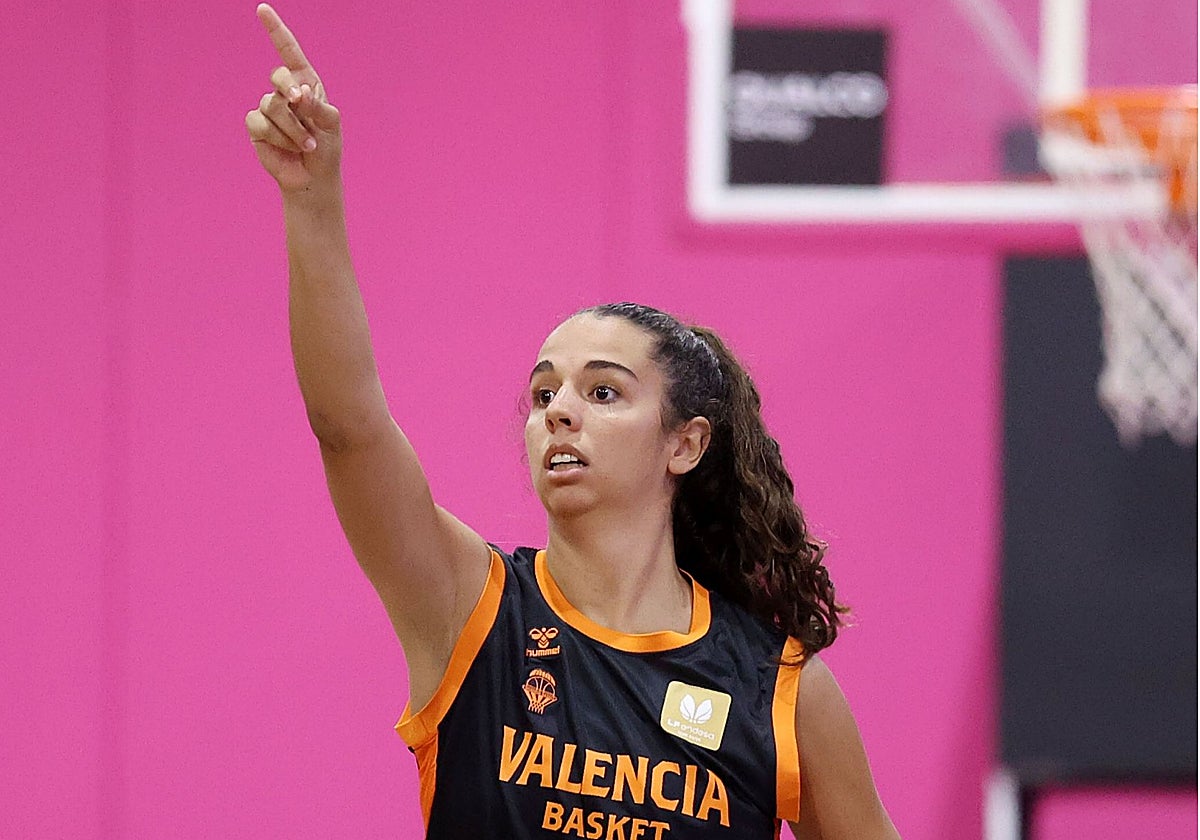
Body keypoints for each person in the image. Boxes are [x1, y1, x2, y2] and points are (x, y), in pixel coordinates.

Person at [245, 5, 900, 838]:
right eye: (544, 392)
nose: (558, 412)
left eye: (602, 393)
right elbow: (347, 425)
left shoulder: (779, 691)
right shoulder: (472, 610)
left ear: (685, 443)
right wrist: (312, 202)